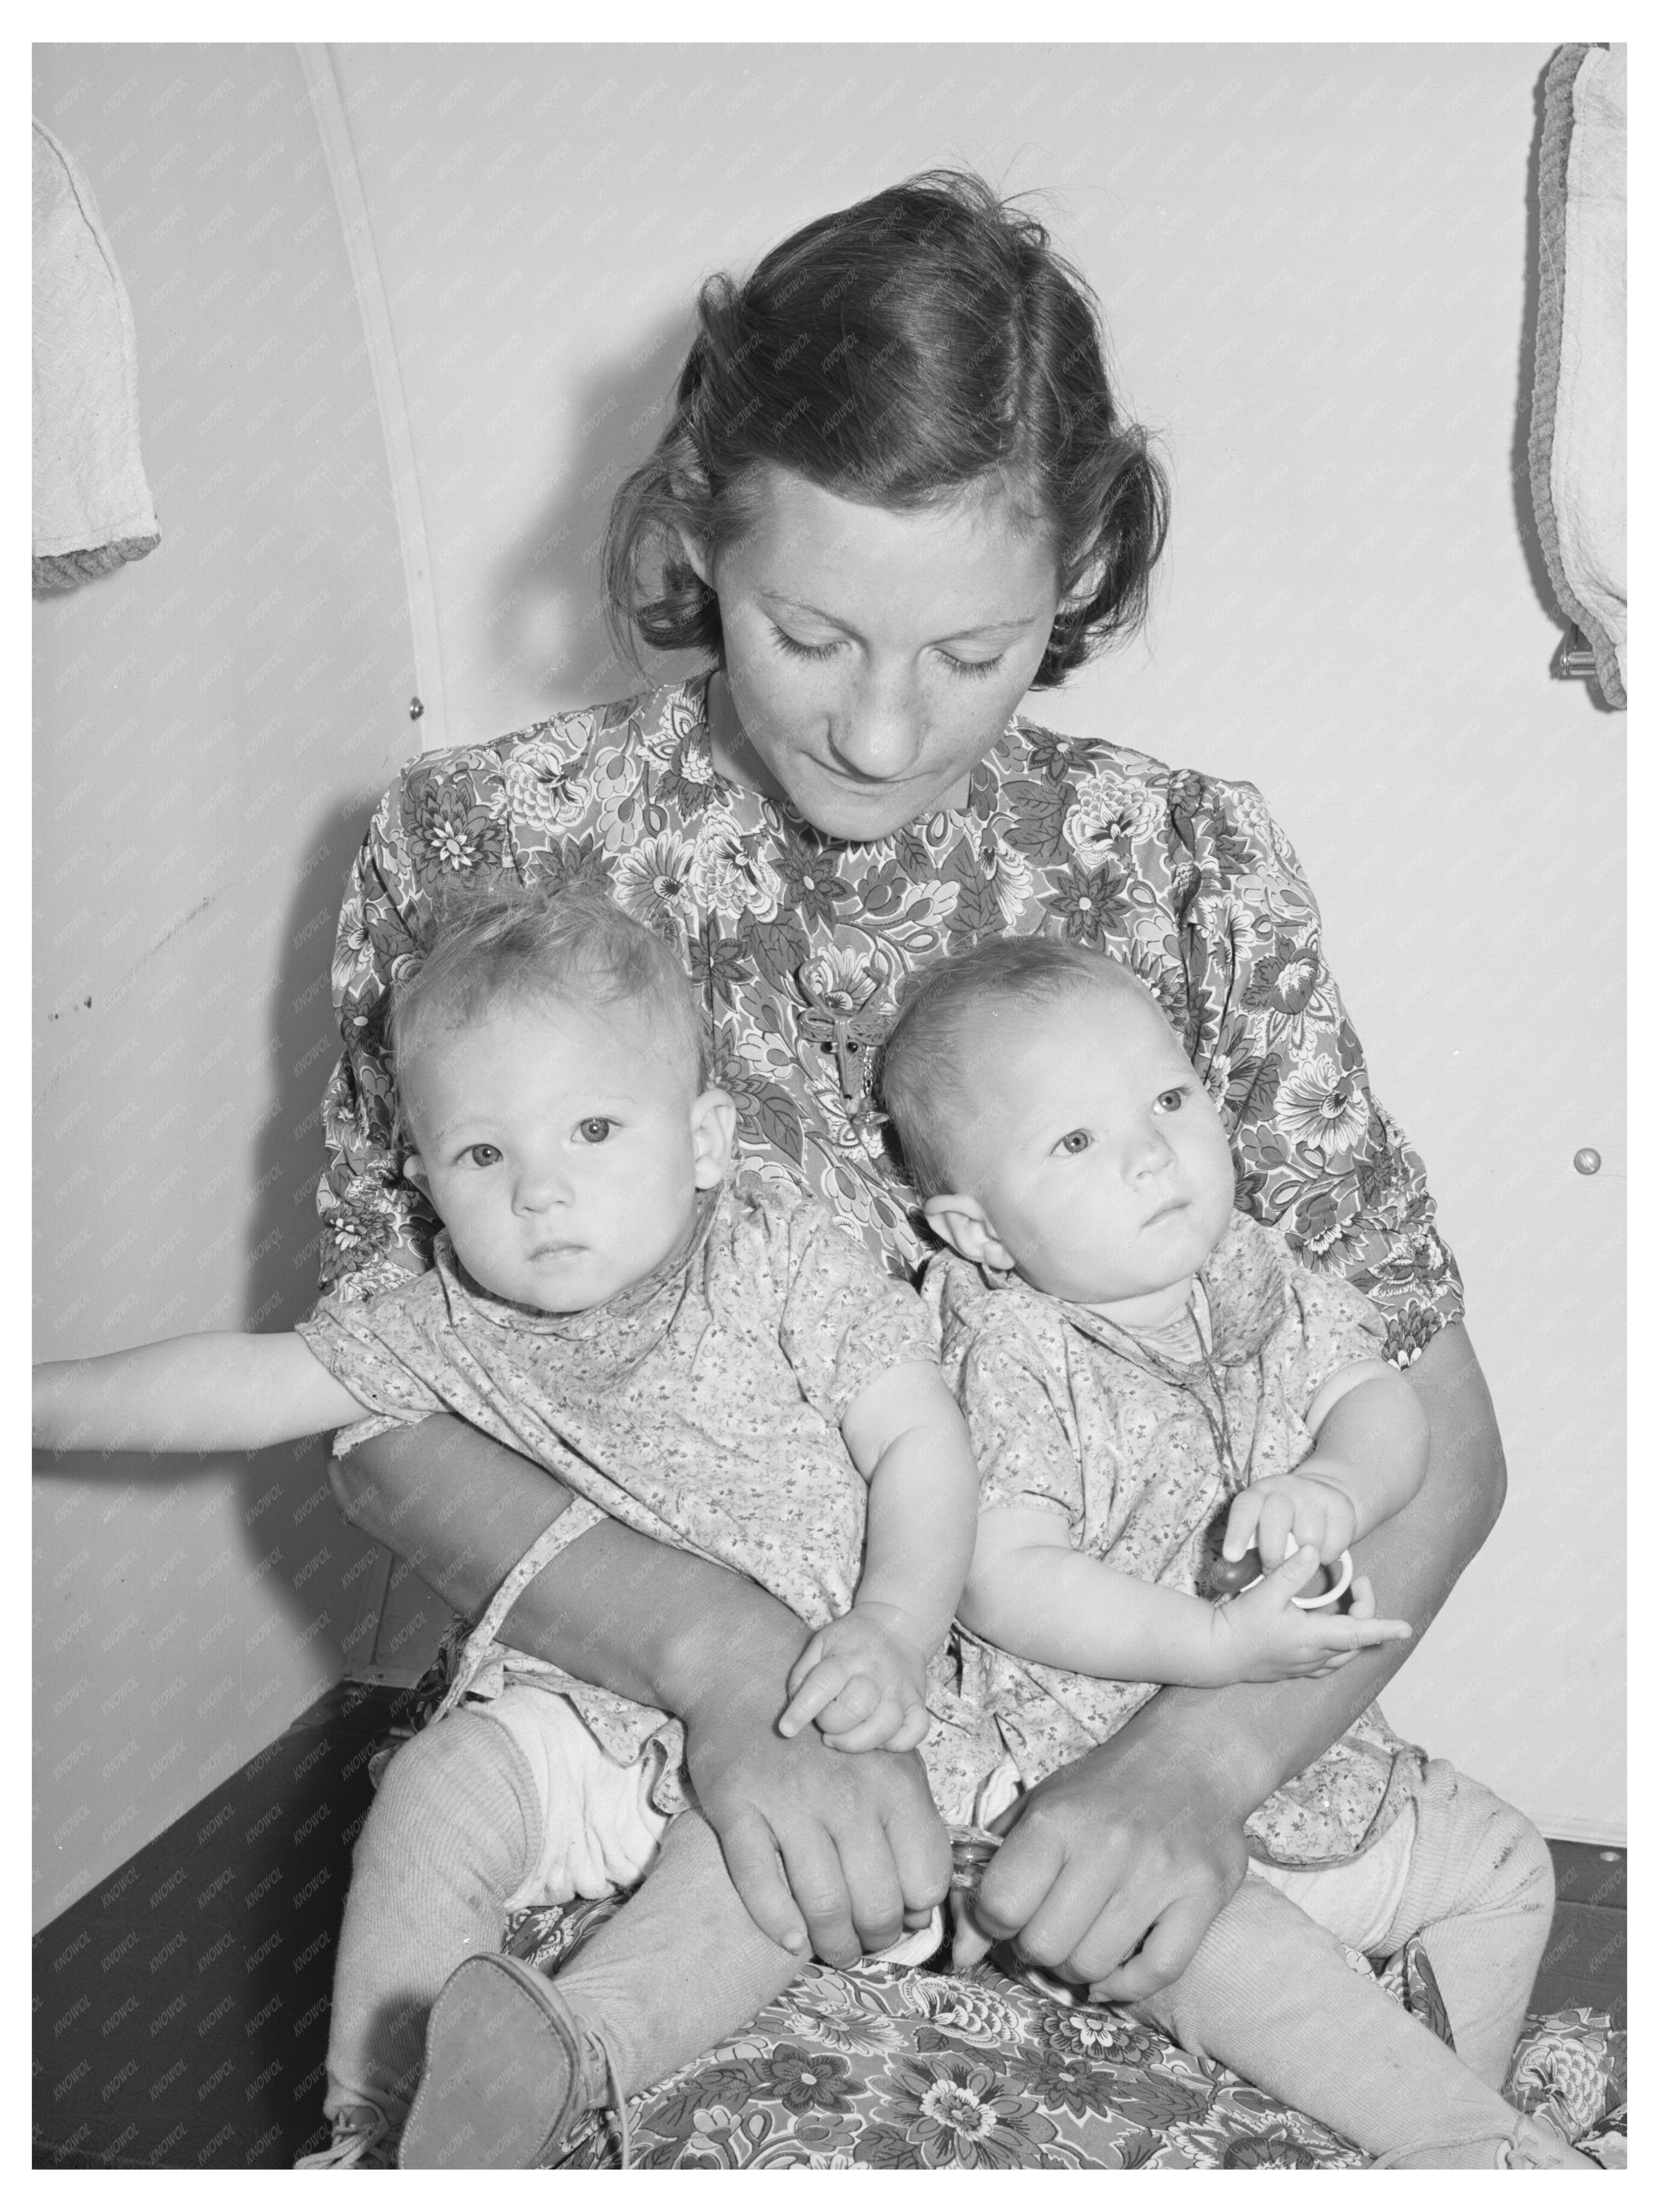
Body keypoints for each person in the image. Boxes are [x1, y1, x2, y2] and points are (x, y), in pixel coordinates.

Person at [315, 169, 1504, 2139]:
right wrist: (734, 1673)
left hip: (1119, 1776)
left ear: (1088, 563)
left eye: (976, 651)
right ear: (701, 523)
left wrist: (1192, 1777)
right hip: (642, 1762)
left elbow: (1436, 1432)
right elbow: (375, 1411)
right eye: (809, 631)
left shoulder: (1188, 867)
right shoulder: (479, 850)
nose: (881, 729)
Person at [33, 888, 988, 2168]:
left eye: (595, 1129)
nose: (543, 1191)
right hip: (582, 1715)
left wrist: (893, 1627)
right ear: (426, 1179)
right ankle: (377, 2128)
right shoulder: (435, 1320)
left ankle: (569, 2057)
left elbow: (921, 1442)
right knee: (437, 1785)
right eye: (485, 1156)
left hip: (810, 1717)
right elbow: (236, 1383)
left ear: (704, 1140)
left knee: (760, 1870)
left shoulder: (776, 1257)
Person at [872, 937, 1587, 2171]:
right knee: (1212, 1934)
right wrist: (1209, 1644)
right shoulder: (1010, 1352)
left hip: (1296, 1766)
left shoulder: (1258, 1271)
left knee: (1503, 1865)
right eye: (1076, 1143)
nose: (1151, 1152)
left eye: (1166, 1100)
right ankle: (1469, 2153)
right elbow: (999, 1576)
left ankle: (1439, 2098)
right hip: (1071, 1775)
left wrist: (1332, 1482)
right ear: (976, 1231)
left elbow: (1384, 1409)